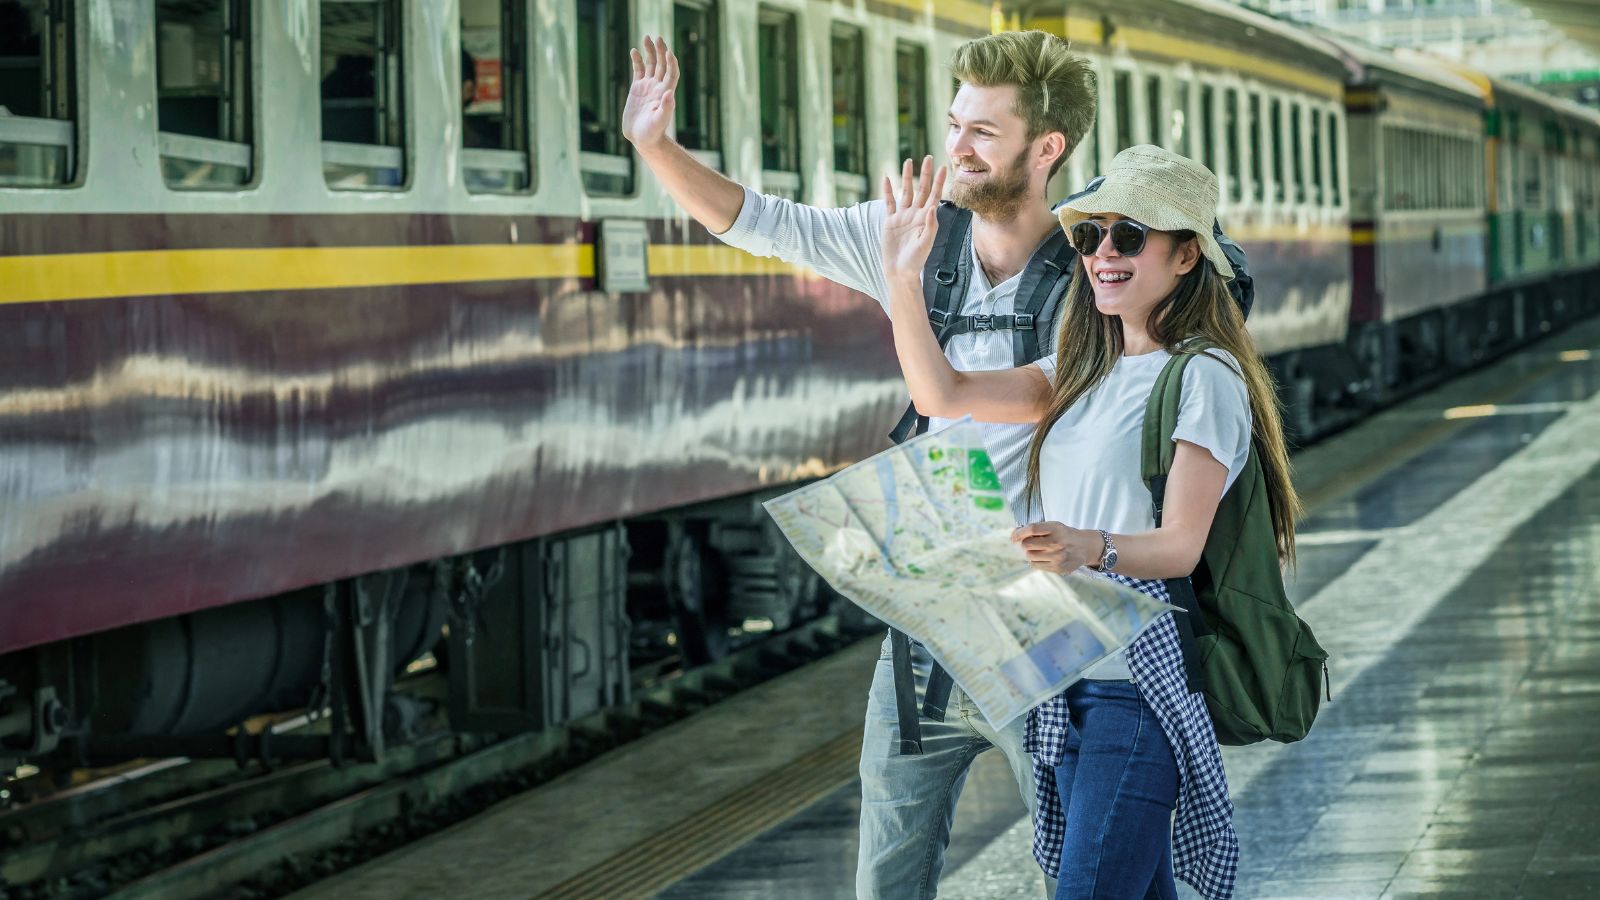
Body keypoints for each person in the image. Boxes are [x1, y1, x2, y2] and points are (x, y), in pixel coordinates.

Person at [622, 29, 1099, 898]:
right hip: (928, 615)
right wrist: (656, 146)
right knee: (885, 873)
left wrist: (902, 281)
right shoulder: (916, 237)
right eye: (955, 123)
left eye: (983, 133)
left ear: (1047, 148)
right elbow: (756, 221)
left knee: (1074, 869)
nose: (955, 146)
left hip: (1043, 616)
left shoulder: (1090, 285)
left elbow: (961, 394)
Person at [877, 144, 1301, 898]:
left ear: (1185, 256)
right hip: (1062, 677)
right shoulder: (1076, 371)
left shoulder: (1203, 376)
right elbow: (939, 392)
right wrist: (903, 282)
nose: (1103, 253)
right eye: (1089, 236)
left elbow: (1178, 548)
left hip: (1134, 686)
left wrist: (1086, 548)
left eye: (1129, 237)